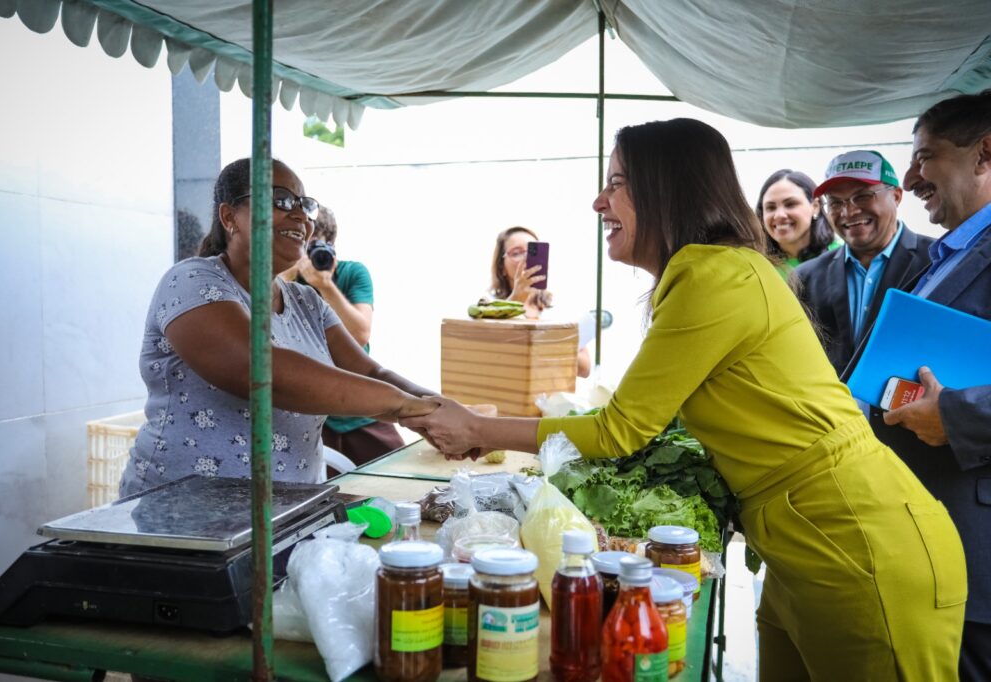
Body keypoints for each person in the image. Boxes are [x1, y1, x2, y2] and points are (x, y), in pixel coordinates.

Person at [406, 118, 966, 680]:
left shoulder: (711, 273)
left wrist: (479, 430)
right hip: (812, 539)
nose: (599, 202)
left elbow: (618, 431)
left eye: (617, 183)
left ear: (667, 187)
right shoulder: (717, 270)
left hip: (859, 541)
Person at [119, 158, 437, 495]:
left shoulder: (307, 301)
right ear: (229, 217)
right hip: (184, 512)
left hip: (289, 511)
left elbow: (371, 372)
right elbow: (262, 371)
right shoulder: (191, 281)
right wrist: (404, 406)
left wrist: (440, 407)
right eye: (281, 200)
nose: (300, 215)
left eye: (305, 205)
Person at [858, 90, 991, 682]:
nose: (910, 178)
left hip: (977, 546)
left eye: (926, 157)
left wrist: (954, 415)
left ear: (984, 153)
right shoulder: (944, 255)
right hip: (926, 534)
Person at [281, 205, 405, 467]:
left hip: (360, 409)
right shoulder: (284, 282)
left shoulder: (352, 272)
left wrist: (325, 285)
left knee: (397, 467)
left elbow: (360, 333)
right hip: (310, 410)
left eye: (316, 248)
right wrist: (287, 274)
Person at [795, 150, 934, 374]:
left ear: (897, 196)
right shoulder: (806, 277)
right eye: (836, 202)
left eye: (862, 196)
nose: (849, 211)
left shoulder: (936, 261)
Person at [490, 226, 592, 377]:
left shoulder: (559, 310)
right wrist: (517, 299)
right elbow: (490, 352)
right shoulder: (488, 307)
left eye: (533, 251)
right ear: (502, 267)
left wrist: (542, 343)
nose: (526, 259)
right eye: (517, 253)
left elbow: (584, 369)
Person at [755, 169, 837, 277]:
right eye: (771, 207)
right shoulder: (755, 266)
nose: (779, 215)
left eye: (790, 204)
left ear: (815, 206)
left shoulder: (842, 258)